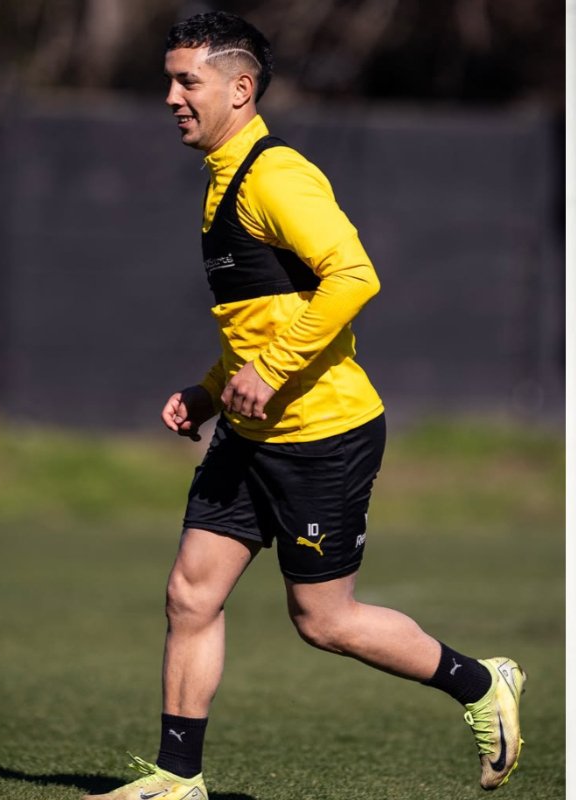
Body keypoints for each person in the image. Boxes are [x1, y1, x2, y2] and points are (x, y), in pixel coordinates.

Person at [84, 13, 525, 800]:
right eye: (171, 80)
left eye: (188, 81)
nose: (171, 97)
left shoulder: (275, 175)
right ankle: (178, 780)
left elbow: (354, 276)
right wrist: (211, 391)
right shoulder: (224, 178)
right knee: (191, 592)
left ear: (240, 88)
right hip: (251, 434)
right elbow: (263, 317)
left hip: (323, 435)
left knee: (324, 621)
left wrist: (275, 369)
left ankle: (480, 683)